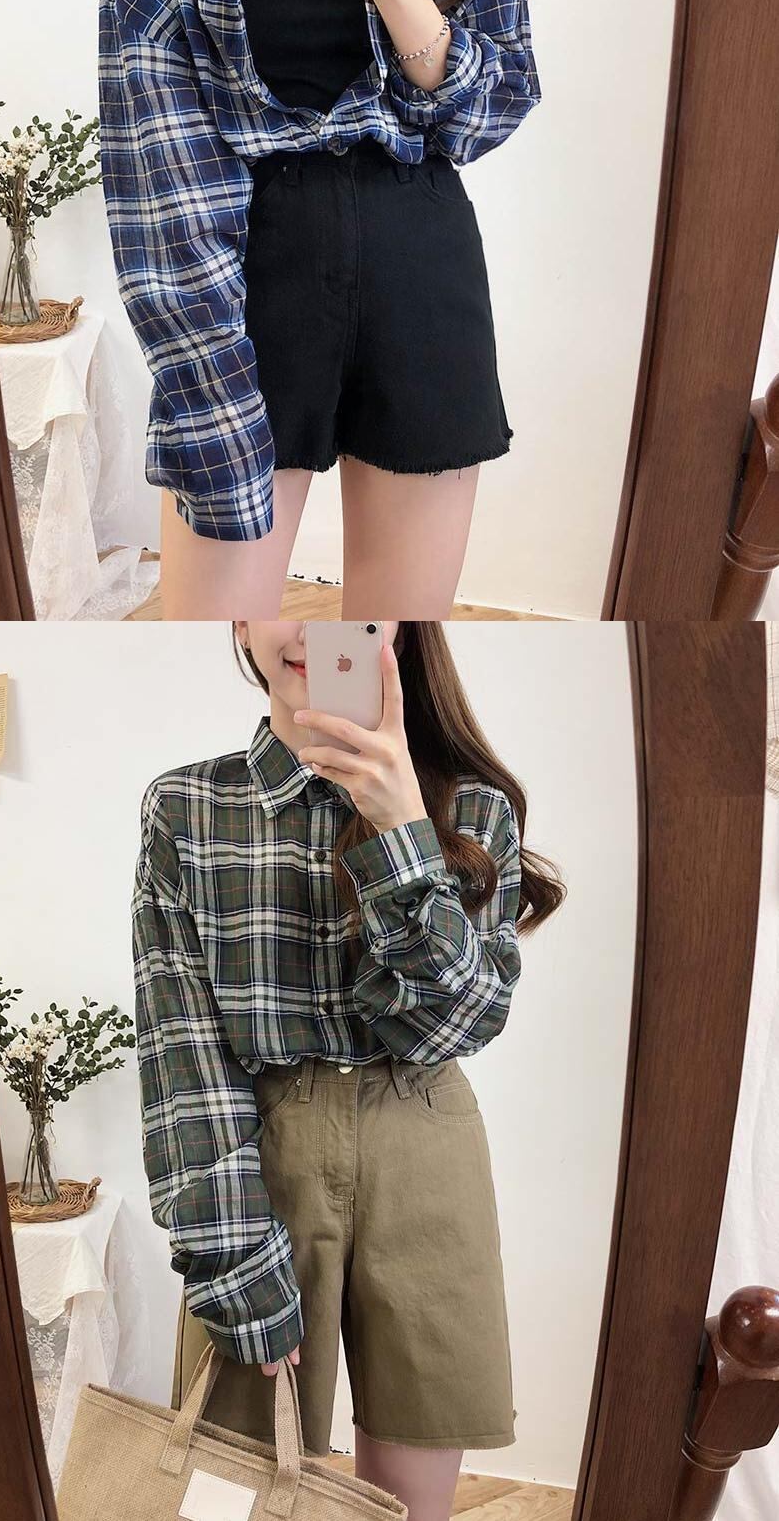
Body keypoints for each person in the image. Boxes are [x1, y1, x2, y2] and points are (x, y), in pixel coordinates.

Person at [98, 0, 561, 623]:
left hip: (422, 269)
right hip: (243, 283)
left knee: (387, 639)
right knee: (213, 635)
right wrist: (209, 387)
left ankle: (347, 728)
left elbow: (494, 109)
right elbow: (157, 171)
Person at [132, 622, 566, 1517]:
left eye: (357, 608)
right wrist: (228, 1254)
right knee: (235, 1485)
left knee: (410, 1504)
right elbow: (181, 1049)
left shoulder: (472, 808)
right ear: (241, 621)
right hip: (258, 1151)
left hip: (425, 1140)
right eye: (280, 598)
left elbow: (460, 1023)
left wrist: (403, 832)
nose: (311, 628)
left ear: (398, 628)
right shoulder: (187, 805)